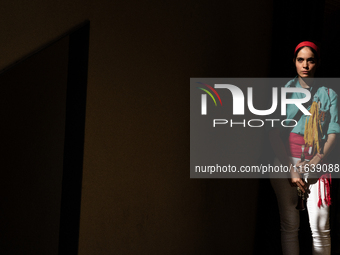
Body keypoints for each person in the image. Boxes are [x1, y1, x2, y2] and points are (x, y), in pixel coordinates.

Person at [268, 41, 340, 255]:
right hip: (285, 162)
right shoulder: (283, 93)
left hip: (316, 163)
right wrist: (291, 170)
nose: (305, 65)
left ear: (317, 63)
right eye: (301, 60)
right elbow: (273, 133)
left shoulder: (329, 95)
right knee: (290, 226)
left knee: (321, 229)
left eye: (310, 60)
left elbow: (333, 132)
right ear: (294, 62)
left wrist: (315, 163)